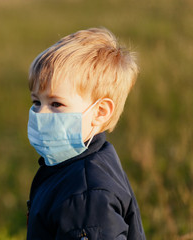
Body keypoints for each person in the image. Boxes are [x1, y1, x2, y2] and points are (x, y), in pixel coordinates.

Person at [26, 27, 146, 240]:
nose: (40, 113)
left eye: (56, 103)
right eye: (37, 101)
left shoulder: (86, 195)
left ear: (99, 112)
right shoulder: (77, 163)